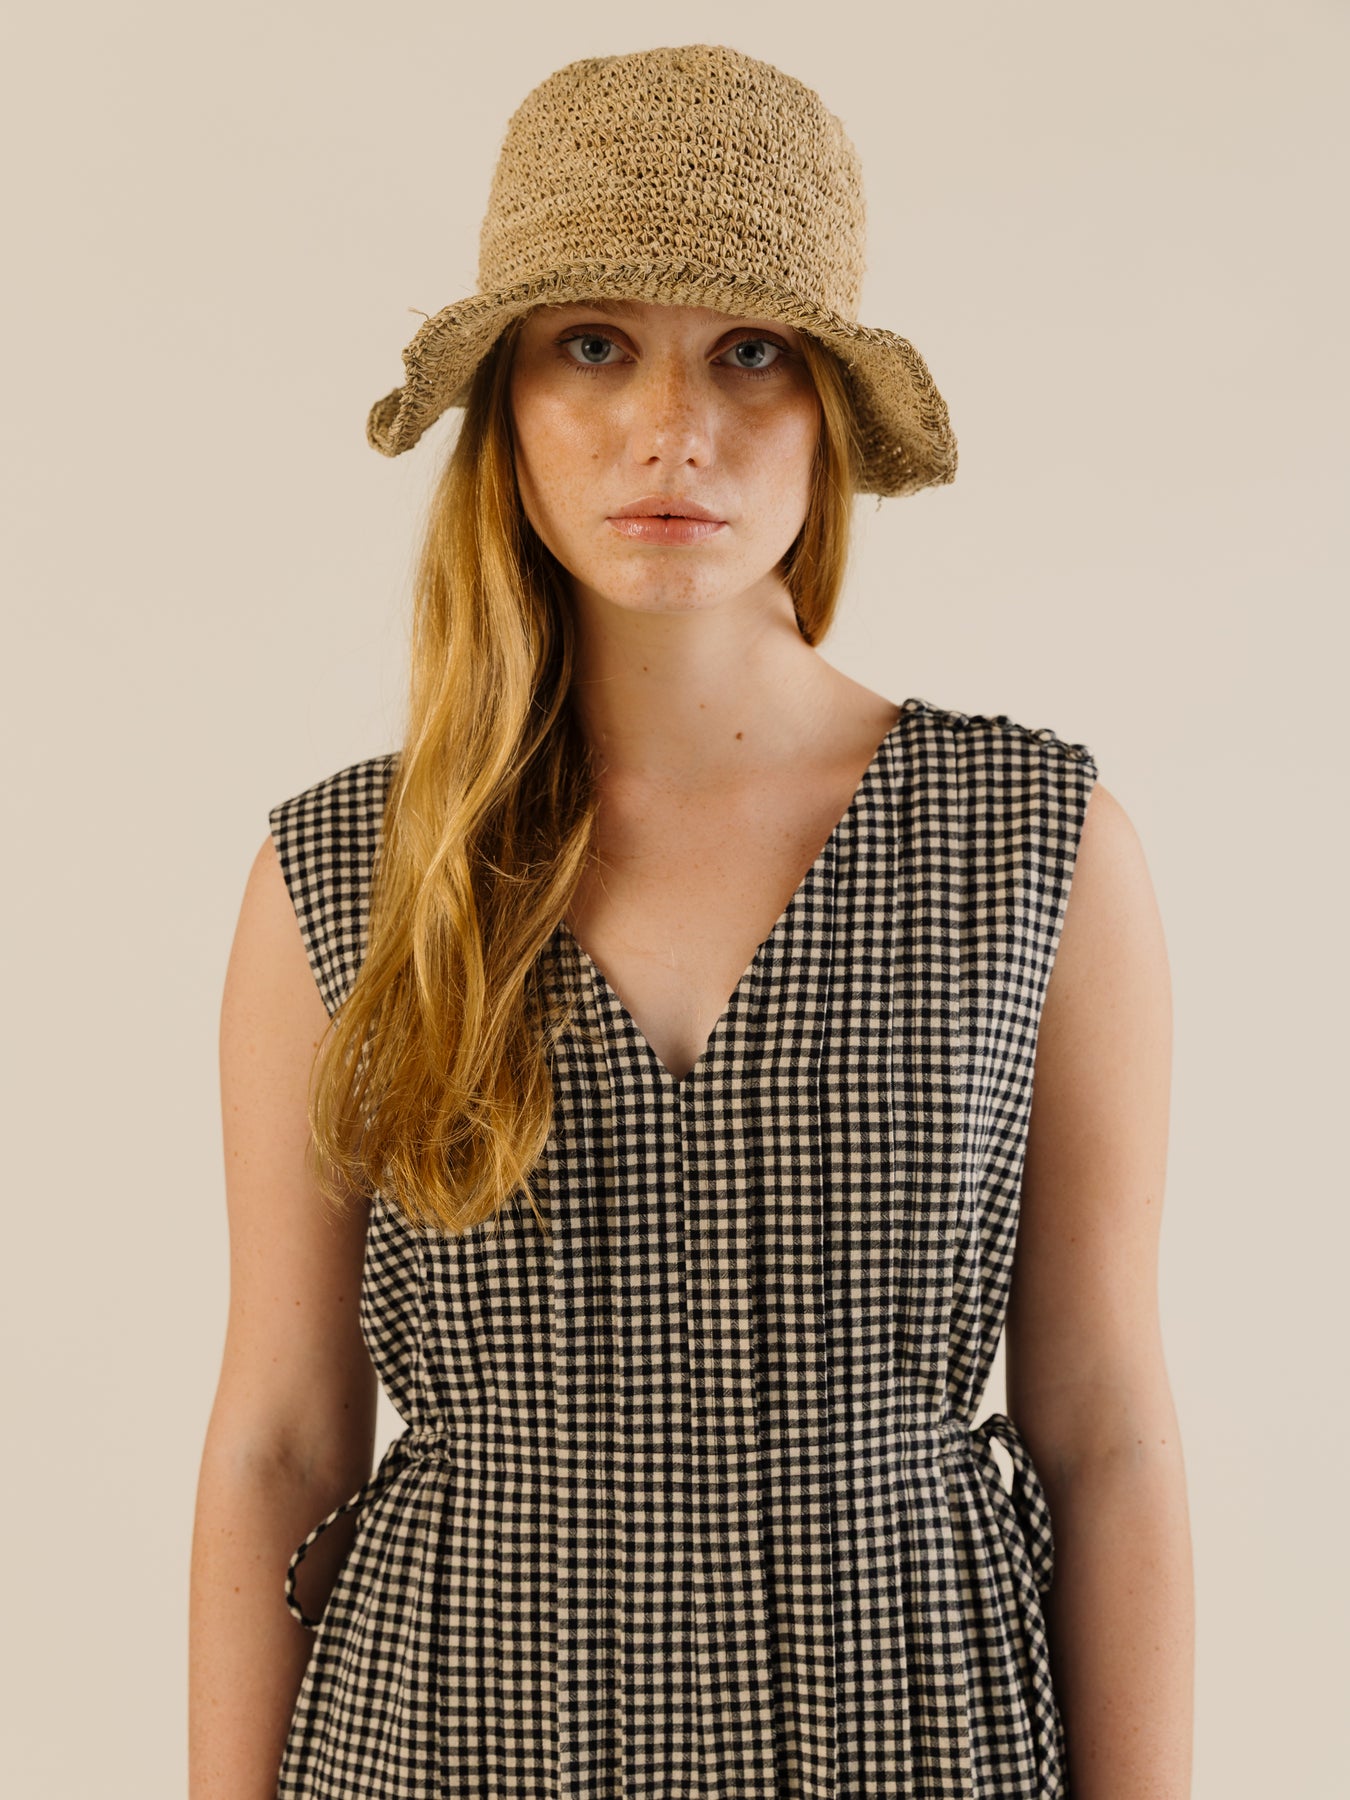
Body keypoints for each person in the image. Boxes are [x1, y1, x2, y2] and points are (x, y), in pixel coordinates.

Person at [188, 43, 1193, 1800]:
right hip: (455, 1733)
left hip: (907, 1728)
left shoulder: (1030, 845)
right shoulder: (348, 869)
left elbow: (1103, 1430)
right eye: (593, 346)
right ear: (507, 404)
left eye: (749, 352)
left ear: (828, 416)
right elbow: (280, 1436)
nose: (671, 429)